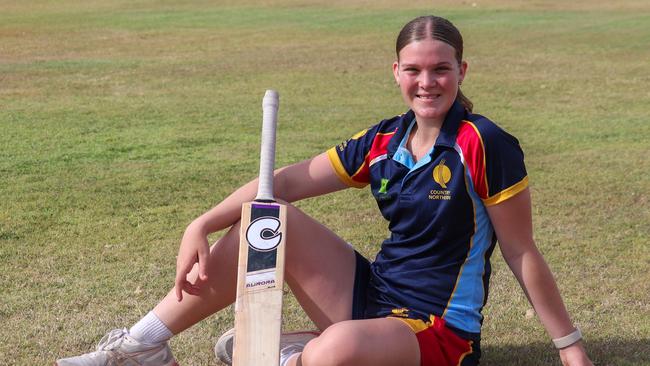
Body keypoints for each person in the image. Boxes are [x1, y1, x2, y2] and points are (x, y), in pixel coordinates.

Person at [56, 15, 594, 366]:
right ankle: (143, 345)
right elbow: (284, 183)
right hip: (374, 296)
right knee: (267, 219)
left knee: (334, 352)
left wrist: (570, 350)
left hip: (437, 328)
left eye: (440, 70)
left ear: (461, 71)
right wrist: (200, 223)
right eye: (414, 70)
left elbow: (521, 251)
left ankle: (294, 355)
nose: (427, 82)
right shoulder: (385, 139)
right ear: (396, 72)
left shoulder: (485, 143)